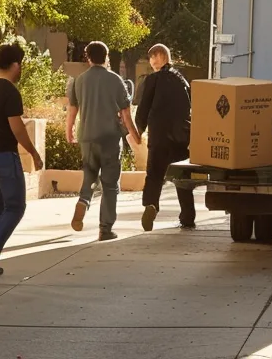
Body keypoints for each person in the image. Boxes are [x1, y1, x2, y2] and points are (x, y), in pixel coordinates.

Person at [0, 43, 42, 280]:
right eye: (20, 64)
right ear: (15, 65)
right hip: (5, 155)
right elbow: (18, 129)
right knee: (15, 207)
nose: (21, 68)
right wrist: (34, 153)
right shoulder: (10, 91)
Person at [66, 41, 142, 240]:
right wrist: (135, 135)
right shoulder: (115, 80)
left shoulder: (79, 80)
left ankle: (83, 200)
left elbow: (72, 110)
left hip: (86, 137)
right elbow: (126, 113)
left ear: (87, 57)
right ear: (106, 56)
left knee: (89, 174)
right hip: (109, 138)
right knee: (110, 184)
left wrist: (69, 131)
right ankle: (105, 229)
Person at [134, 44, 195, 231]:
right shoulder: (182, 80)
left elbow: (143, 108)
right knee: (182, 176)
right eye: (151, 57)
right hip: (181, 136)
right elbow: (190, 107)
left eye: (155, 57)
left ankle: (151, 204)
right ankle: (187, 216)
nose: (152, 61)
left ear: (163, 58)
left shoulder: (152, 80)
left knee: (154, 175)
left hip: (159, 136)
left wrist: (139, 129)